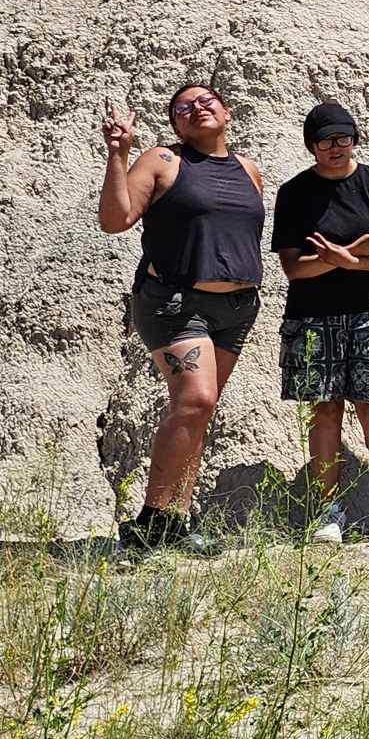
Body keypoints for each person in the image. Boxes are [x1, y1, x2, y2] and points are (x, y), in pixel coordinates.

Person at [98, 86, 266, 553]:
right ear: (175, 125)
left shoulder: (248, 170)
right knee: (195, 399)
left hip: (236, 308)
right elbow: (116, 219)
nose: (196, 109)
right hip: (174, 302)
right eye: (182, 108)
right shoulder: (162, 161)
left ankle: (177, 518)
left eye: (205, 101)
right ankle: (151, 520)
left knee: (201, 409)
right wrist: (118, 155)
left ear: (227, 111)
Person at [270, 102, 369, 549]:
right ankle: (328, 511)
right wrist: (348, 258)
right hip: (312, 316)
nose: (335, 147)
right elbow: (295, 268)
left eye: (343, 138)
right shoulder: (294, 192)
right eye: (326, 140)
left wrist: (345, 258)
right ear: (311, 145)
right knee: (324, 409)